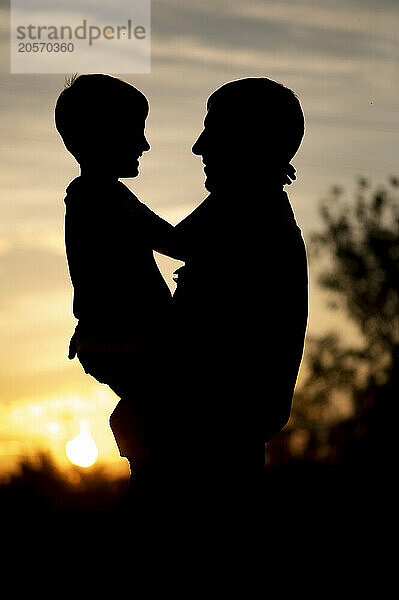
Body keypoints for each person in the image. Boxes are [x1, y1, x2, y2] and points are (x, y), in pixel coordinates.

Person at [171, 78, 309, 521]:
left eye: (212, 131)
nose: (198, 148)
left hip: (211, 460)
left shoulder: (249, 215)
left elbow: (169, 242)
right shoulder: (246, 209)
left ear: (245, 141)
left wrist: (97, 195)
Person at [55, 74, 181, 510]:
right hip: (129, 343)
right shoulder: (110, 199)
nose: (144, 145)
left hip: (107, 342)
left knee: (154, 439)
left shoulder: (85, 196)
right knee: (166, 443)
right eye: (136, 133)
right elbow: (181, 244)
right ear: (104, 136)